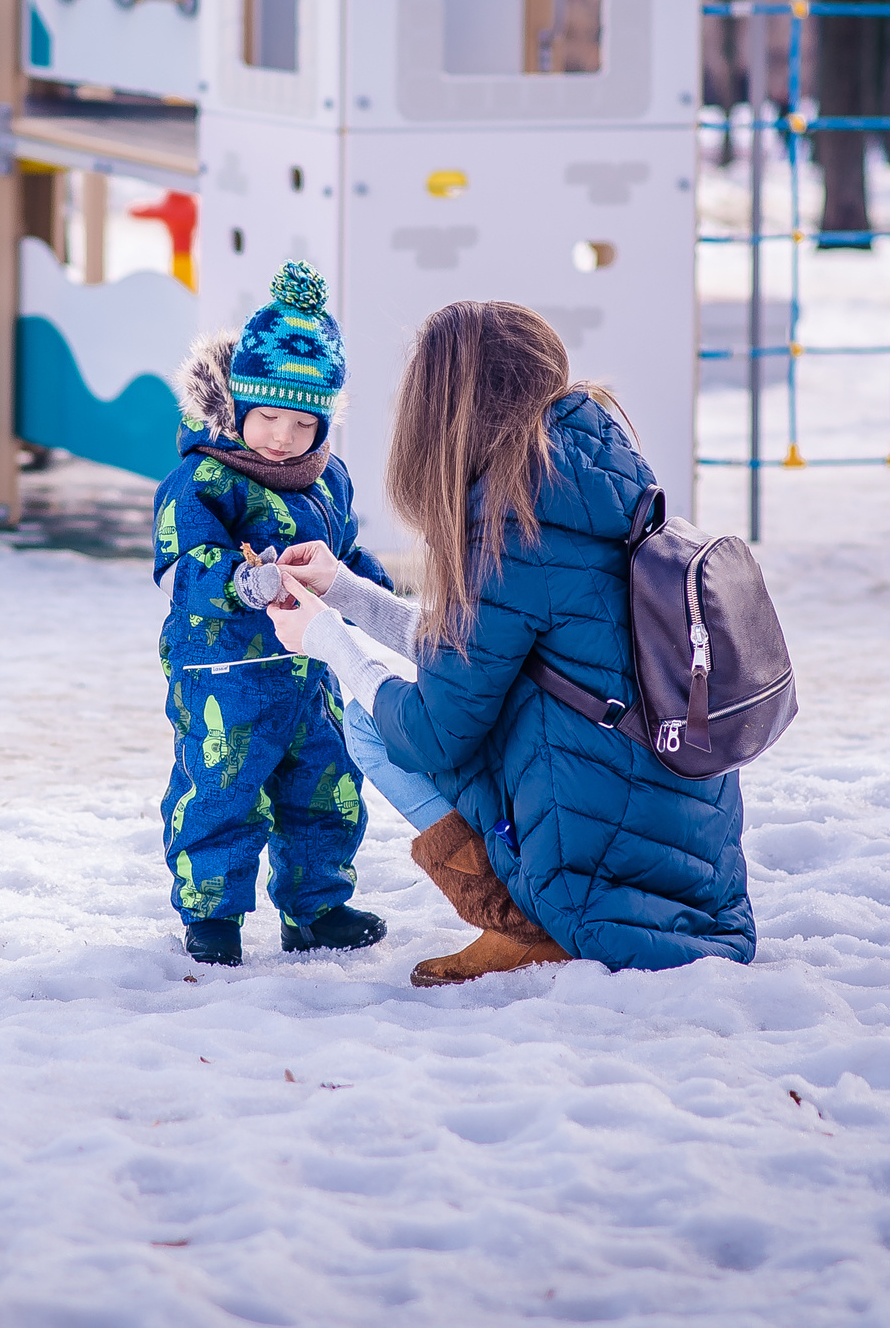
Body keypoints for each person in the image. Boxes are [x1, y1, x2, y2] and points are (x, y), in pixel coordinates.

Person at [266, 301, 756, 986]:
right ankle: (538, 913)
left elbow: (435, 733)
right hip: (679, 853)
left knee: (368, 721)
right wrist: (348, 594)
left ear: (450, 410)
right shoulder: (587, 482)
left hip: (595, 874)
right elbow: (476, 656)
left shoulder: (511, 525)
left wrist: (327, 642)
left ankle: (526, 925)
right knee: (405, 704)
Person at [153, 262, 395, 967]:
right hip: (225, 674)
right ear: (237, 408)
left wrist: (384, 607)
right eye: (268, 417)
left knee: (326, 787)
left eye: (301, 421)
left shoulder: (330, 478)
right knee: (219, 790)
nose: (284, 436)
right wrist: (243, 580)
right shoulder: (204, 477)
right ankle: (213, 915)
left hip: (308, 669)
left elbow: (345, 560)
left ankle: (317, 907)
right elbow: (187, 565)